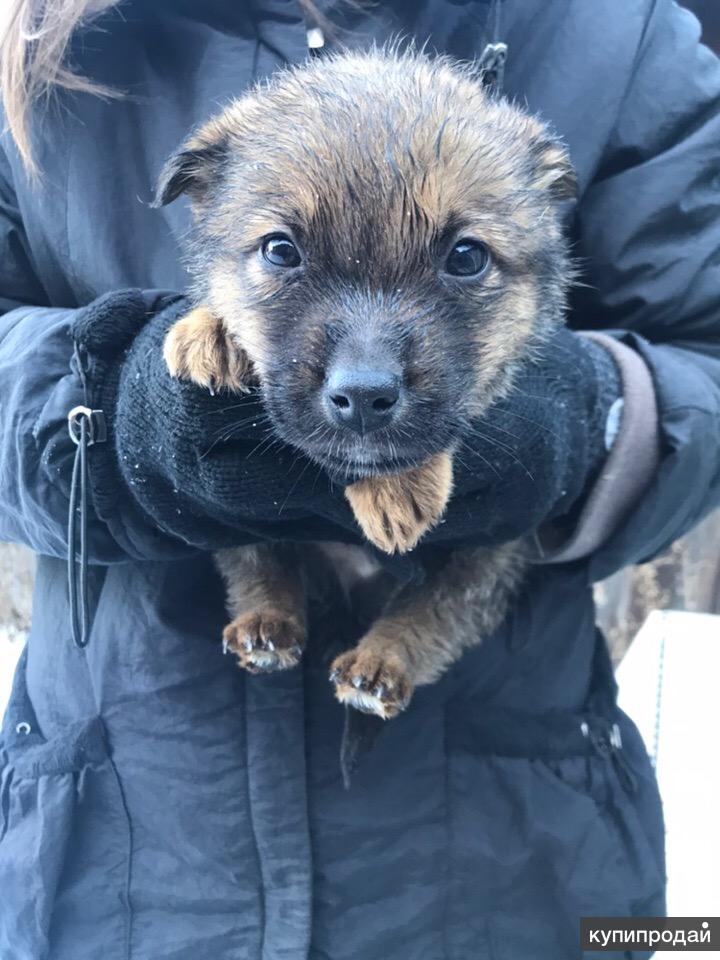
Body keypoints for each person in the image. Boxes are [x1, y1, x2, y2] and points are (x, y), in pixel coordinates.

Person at [0, 1, 718, 957]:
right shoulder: (42, 46)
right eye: (284, 254)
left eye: (464, 261)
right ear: (205, 206)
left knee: (470, 573)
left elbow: (705, 363)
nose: (362, 374)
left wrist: (591, 418)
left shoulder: (615, 29)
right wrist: (112, 411)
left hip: (524, 864)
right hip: (120, 856)